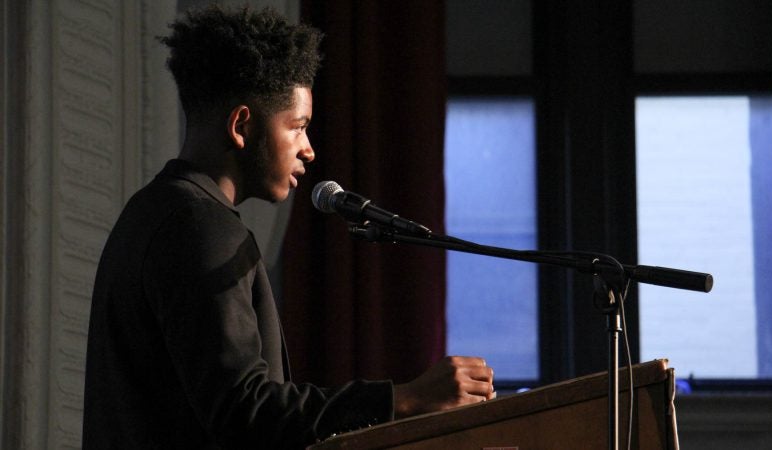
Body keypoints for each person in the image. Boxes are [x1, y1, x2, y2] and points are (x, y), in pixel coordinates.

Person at [82, 5, 494, 449]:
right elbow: (245, 411)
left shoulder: (151, 211)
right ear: (242, 125)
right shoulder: (201, 228)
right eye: (298, 127)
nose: (309, 150)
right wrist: (406, 398)